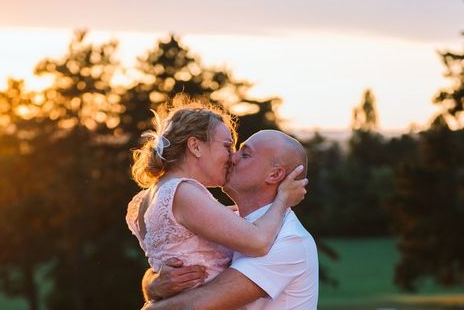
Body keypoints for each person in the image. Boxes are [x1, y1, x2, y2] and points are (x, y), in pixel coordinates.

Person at [126, 100, 307, 294]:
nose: (231, 157)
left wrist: (151, 285)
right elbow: (259, 242)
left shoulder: (150, 196)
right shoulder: (183, 192)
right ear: (195, 146)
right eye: (227, 146)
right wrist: (283, 198)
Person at [142, 130, 319, 310]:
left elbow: (196, 304)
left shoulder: (289, 240)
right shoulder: (232, 224)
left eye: (245, 154)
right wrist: (151, 285)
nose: (232, 158)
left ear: (274, 175)